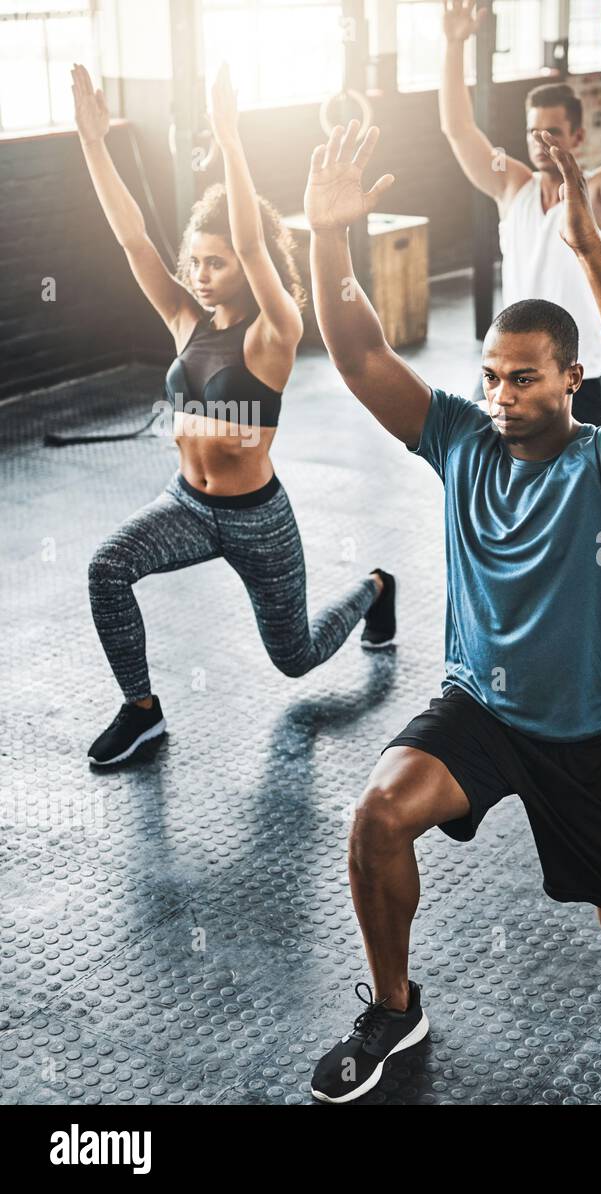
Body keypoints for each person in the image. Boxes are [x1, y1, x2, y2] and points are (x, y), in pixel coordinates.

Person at [302, 119, 601, 1104]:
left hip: (585, 736)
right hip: (479, 708)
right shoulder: (460, 439)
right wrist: (326, 238)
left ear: (568, 377)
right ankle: (395, 1007)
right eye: (492, 376)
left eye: (525, 376)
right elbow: (356, 354)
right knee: (378, 816)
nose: (503, 395)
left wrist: (591, 248)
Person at [71, 63, 395, 767]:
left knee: (296, 658)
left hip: (257, 519)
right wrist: (93, 141)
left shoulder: (272, 334)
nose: (199, 272)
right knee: (107, 568)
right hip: (186, 504)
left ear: (246, 270)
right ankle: (142, 710)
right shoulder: (184, 320)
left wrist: (230, 140)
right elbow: (133, 240)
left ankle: (375, 590)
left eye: (214, 262)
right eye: (195, 259)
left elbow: (254, 243)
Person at [439, 0, 601, 430]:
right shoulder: (512, 186)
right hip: (511, 368)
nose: (539, 140)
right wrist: (454, 46)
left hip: (579, 375)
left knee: (599, 491)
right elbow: (459, 130)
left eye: (551, 131)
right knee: (479, 465)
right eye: (533, 130)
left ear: (578, 135)